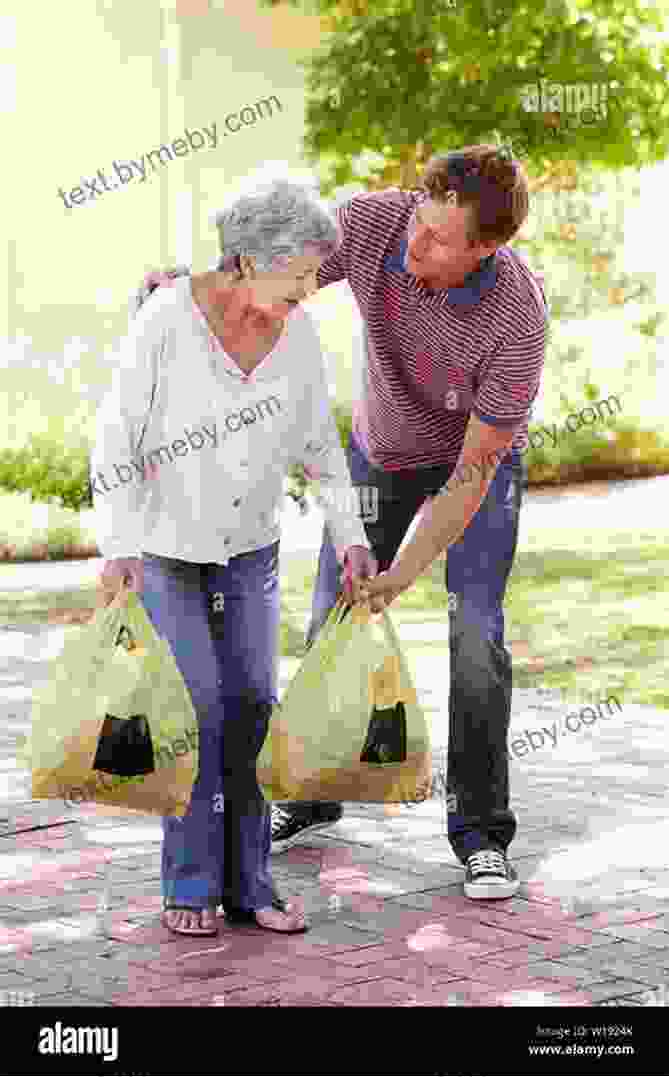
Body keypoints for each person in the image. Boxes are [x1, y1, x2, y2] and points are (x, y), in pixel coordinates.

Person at [138, 144, 549, 901]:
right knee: (330, 614)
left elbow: (470, 475)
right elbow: (269, 272)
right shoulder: (371, 225)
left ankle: (481, 830)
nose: (413, 246)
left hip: (473, 469)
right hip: (380, 452)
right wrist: (188, 286)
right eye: (417, 224)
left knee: (476, 630)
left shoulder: (518, 316)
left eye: (438, 240)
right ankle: (312, 788)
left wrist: (404, 572)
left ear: (488, 249)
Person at [92, 170, 378, 937]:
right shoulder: (166, 320)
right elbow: (117, 434)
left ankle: (252, 883)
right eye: (302, 273)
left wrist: (350, 533)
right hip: (167, 549)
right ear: (249, 261)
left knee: (254, 707)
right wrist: (117, 544)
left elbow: (321, 445)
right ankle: (190, 884)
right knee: (196, 710)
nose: (311, 289)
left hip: (251, 547)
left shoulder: (299, 336)